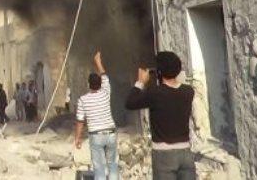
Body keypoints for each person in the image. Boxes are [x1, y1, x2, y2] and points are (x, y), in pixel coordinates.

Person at [126, 51, 196, 180]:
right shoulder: (188, 91)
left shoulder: (154, 93)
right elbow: (174, 91)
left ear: (159, 72)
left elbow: (130, 103)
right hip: (185, 152)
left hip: (163, 154)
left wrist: (140, 82)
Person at [74, 51, 118, 180]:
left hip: (96, 135)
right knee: (112, 165)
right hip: (111, 133)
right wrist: (98, 62)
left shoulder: (83, 100)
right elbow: (104, 76)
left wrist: (78, 138)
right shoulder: (106, 93)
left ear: (88, 84)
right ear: (100, 84)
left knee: (99, 168)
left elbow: (80, 121)